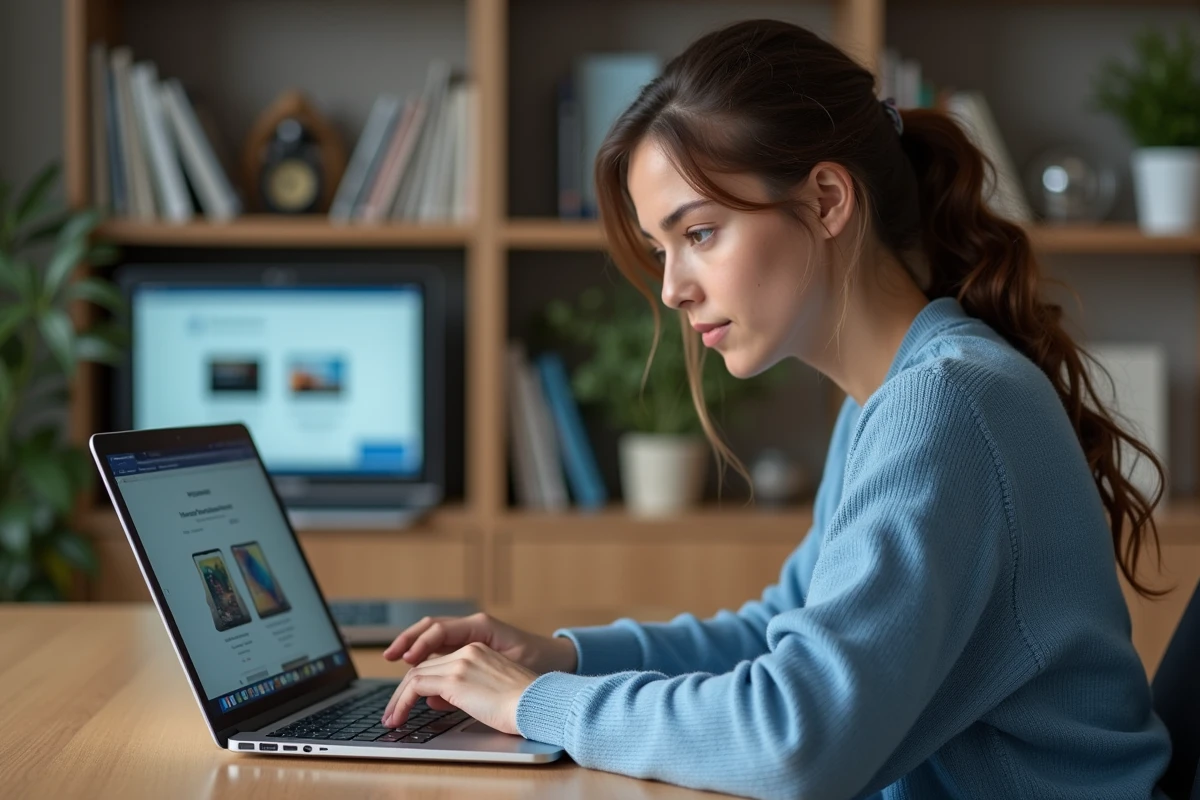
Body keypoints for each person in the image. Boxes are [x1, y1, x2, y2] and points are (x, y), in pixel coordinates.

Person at [379, 19, 1172, 800]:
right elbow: (779, 632)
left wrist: (528, 705)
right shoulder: (889, 400)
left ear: (827, 199)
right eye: (663, 249)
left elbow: (794, 739)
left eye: (701, 232)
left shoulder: (944, 404)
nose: (671, 288)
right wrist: (562, 659)